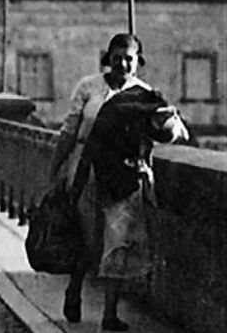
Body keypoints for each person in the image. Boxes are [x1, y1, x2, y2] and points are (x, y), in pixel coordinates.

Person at [48, 33, 186, 331]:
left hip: (123, 175)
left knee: (118, 242)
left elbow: (173, 132)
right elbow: (69, 132)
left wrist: (164, 119)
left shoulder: (145, 95)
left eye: (129, 58)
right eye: (117, 57)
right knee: (86, 237)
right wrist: (55, 171)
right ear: (107, 58)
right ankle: (74, 289)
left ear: (138, 62)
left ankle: (110, 314)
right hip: (86, 171)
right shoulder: (89, 87)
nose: (122, 63)